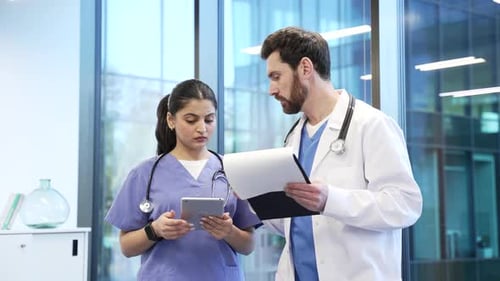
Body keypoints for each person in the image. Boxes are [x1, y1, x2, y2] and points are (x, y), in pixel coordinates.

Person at [259, 26, 423, 281]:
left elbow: (405, 205)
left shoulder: (371, 124)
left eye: (276, 76)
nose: (271, 89)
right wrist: (256, 201)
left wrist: (331, 200)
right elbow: (295, 225)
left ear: (305, 68)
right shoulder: (294, 136)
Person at [105, 79, 261, 281]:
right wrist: (155, 230)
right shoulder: (144, 174)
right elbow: (126, 247)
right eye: (191, 120)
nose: (202, 128)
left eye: (209, 119)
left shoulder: (232, 170)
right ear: (171, 120)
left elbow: (248, 245)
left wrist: (229, 231)